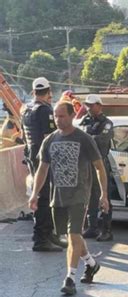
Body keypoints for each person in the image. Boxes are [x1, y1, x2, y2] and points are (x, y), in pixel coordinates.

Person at [28, 101, 109, 296]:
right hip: (58, 197)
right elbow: (42, 169)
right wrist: (34, 194)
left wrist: (104, 195)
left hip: (79, 195)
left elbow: (99, 167)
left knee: (74, 236)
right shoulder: (50, 141)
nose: (58, 119)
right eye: (56, 116)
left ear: (72, 116)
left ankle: (70, 278)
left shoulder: (84, 139)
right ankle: (91, 263)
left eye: (62, 115)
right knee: (72, 236)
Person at [21, 77, 64, 252]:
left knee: (43, 195)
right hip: (44, 158)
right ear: (48, 92)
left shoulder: (26, 109)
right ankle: (41, 238)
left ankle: (49, 234)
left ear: (33, 91)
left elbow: (25, 136)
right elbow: (50, 137)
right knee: (44, 197)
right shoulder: (44, 110)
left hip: (32, 155)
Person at [79, 94, 114, 241]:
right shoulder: (85, 120)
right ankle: (91, 227)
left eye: (91, 105)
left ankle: (106, 230)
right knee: (90, 196)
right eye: (87, 105)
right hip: (87, 163)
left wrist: (87, 138)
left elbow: (101, 140)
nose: (89, 108)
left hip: (100, 163)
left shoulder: (107, 123)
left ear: (99, 106)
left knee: (103, 196)